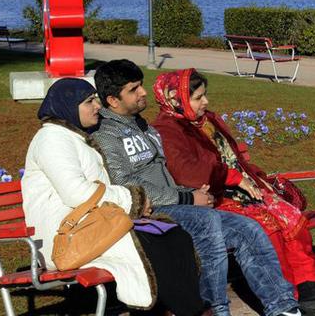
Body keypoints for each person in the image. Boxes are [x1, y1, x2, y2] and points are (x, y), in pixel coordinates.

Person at [90, 60, 301, 316]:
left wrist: (193, 193)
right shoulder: (106, 135)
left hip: (175, 203)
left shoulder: (142, 125)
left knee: (247, 228)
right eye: (134, 89)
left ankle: (283, 307)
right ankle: (215, 309)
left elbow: (164, 173)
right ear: (113, 100)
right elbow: (127, 186)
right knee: (206, 222)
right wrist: (188, 197)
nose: (143, 92)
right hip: (148, 212)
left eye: (141, 86)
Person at [150, 69, 315, 314]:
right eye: (198, 97)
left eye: (205, 95)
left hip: (241, 189)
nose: (206, 102)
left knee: (289, 216)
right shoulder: (169, 128)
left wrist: (258, 179)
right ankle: (290, 296)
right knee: (268, 225)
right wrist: (233, 178)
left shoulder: (206, 121)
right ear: (174, 97)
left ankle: (310, 285)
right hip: (213, 197)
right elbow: (187, 171)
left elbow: (234, 158)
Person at [21, 78, 210, 315]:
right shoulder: (52, 139)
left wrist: (131, 202)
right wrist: (133, 198)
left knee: (174, 235)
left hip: (91, 226)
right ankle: (189, 311)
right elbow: (76, 193)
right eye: (89, 101)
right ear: (68, 106)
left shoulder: (74, 137)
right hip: (65, 237)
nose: (97, 106)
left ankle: (183, 309)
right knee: (152, 245)